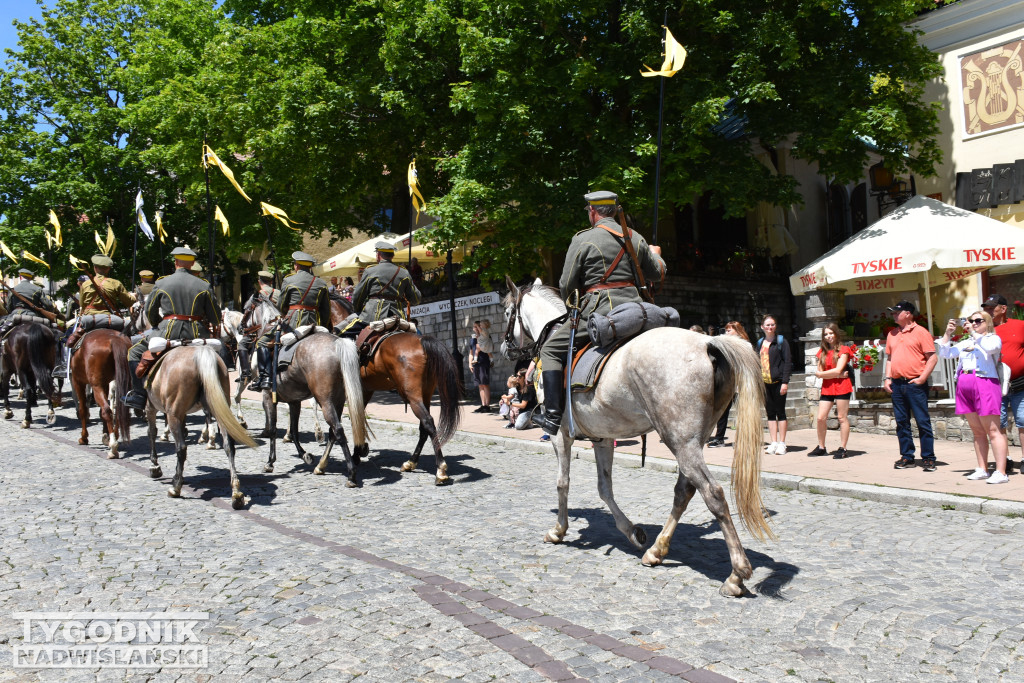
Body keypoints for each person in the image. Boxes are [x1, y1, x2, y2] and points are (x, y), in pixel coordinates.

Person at [534, 190, 665, 434]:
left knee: (549, 350)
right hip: (637, 308)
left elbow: (566, 284)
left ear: (593, 212)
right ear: (615, 211)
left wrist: (572, 308)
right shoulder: (635, 238)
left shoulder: (583, 239)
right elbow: (656, 273)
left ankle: (552, 417)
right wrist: (658, 257)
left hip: (600, 310)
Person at [124, 247, 222, 410]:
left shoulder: (162, 282)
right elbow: (216, 318)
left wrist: (157, 325)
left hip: (167, 331)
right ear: (192, 263)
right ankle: (222, 395)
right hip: (197, 332)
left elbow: (149, 310)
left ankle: (139, 396)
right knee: (221, 353)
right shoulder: (204, 285)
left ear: (175, 262)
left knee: (133, 352)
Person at [938, 311, 1009, 483]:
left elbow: (992, 348)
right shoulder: (967, 342)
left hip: (984, 382)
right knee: (977, 431)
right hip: (965, 384)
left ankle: (1001, 472)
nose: (974, 323)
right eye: (971, 321)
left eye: (978, 320)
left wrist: (973, 332)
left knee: (993, 430)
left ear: (988, 322)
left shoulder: (991, 338)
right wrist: (948, 333)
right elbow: (945, 353)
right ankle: (982, 468)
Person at [251, 252, 331, 391]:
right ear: (310, 267)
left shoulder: (289, 281)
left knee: (262, 342)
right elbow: (326, 311)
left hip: (293, 323)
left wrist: (284, 315)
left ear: (296, 266)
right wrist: (322, 326)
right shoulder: (321, 283)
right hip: (315, 322)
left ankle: (265, 378)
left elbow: (282, 306)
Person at [882, 300, 938, 471]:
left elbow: (932, 357)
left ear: (908, 313)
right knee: (902, 422)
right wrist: (887, 378)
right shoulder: (892, 334)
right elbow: (890, 359)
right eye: (892, 312)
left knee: (922, 422)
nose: (893, 315)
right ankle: (907, 457)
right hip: (897, 384)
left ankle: (928, 458)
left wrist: (922, 378)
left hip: (915, 383)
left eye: (896, 312)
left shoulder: (921, 332)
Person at [338, 242, 421, 338]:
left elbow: (357, 296)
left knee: (341, 334)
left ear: (378, 255)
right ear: (392, 255)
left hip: (372, 316)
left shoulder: (370, 271)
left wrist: (359, 311)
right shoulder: (404, 272)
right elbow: (416, 299)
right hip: (397, 317)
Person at [982, 294, 1024, 474]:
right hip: (994, 385)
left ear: (1003, 309)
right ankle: (1004, 459)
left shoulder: (1020, 325)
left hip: (1020, 383)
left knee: (1023, 421)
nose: (988, 311)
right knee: (999, 424)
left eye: (992, 308)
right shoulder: (983, 330)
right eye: (987, 308)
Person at [809, 323, 854, 458]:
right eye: (826, 334)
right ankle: (821, 447)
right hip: (828, 387)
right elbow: (819, 372)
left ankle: (843, 448)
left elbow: (838, 369)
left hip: (842, 386)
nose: (828, 336)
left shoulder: (844, 350)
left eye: (831, 333)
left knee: (841, 417)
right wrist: (834, 374)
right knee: (820, 418)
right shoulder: (822, 352)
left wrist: (831, 374)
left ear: (836, 334)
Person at [235, 271, 281, 385]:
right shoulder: (279, 293)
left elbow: (247, 311)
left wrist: (242, 326)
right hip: (280, 326)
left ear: (259, 281)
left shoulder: (256, 296)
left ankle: (246, 374)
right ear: (271, 282)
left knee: (241, 344)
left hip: (264, 329)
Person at [707, 321, 749, 447]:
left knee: (743, 413)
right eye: (726, 330)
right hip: (728, 384)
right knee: (722, 412)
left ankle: (744, 439)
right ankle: (719, 438)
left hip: (741, 384)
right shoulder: (725, 345)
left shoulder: (745, 345)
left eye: (729, 330)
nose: (726, 333)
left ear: (737, 331)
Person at [756, 314, 792, 454]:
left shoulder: (781, 342)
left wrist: (785, 382)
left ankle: (782, 443)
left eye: (772, 324)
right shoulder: (760, 343)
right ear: (762, 327)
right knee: (770, 413)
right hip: (765, 382)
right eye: (768, 325)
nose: (770, 327)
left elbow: (787, 362)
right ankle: (773, 442)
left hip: (778, 382)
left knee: (780, 412)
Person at [470, 320, 494, 412]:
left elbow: (491, 348)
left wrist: (481, 349)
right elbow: (471, 352)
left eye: (477, 326)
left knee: (485, 383)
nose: (475, 328)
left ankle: (487, 405)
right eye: (474, 327)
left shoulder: (485, 335)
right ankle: (483, 404)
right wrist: (470, 363)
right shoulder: (473, 339)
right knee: (480, 385)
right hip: (476, 363)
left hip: (484, 362)